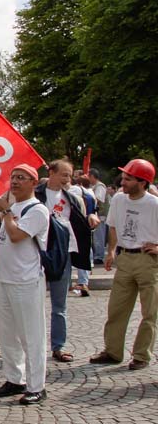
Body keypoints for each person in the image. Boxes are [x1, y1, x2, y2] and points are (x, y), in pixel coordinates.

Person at [90, 159, 158, 371]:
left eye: (129, 178)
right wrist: (111, 251)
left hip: (148, 261)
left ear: (143, 182)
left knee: (150, 313)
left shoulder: (154, 204)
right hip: (125, 258)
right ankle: (112, 351)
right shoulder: (119, 199)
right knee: (116, 309)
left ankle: (141, 355)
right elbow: (112, 227)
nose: (123, 181)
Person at [0, 163, 50, 405]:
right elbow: (5, 238)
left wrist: (5, 213)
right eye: (13, 177)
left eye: (21, 178)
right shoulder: (14, 207)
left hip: (26, 280)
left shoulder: (37, 210)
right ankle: (15, 378)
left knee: (30, 335)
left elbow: (16, 236)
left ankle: (37, 385)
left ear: (33, 183)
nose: (15, 182)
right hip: (6, 278)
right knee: (7, 335)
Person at [34, 159, 92, 363]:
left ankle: (58, 346)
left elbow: (81, 222)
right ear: (51, 172)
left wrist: (90, 220)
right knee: (33, 303)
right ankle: (33, 347)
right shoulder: (36, 193)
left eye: (70, 175)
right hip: (38, 252)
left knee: (60, 304)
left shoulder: (73, 197)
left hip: (63, 253)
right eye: (64, 174)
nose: (68, 179)